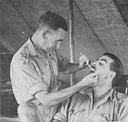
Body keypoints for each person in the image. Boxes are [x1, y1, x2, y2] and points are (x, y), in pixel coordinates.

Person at [10, 11, 97, 122]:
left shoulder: (48, 50)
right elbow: (46, 100)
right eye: (58, 41)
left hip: (56, 111)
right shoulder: (23, 61)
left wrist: (79, 66)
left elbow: (64, 67)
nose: (59, 46)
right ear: (44, 35)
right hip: (38, 117)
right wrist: (81, 84)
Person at [52, 53, 128, 122]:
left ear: (110, 75)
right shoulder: (74, 97)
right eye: (96, 61)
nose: (94, 63)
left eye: (101, 63)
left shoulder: (123, 104)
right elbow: (58, 119)